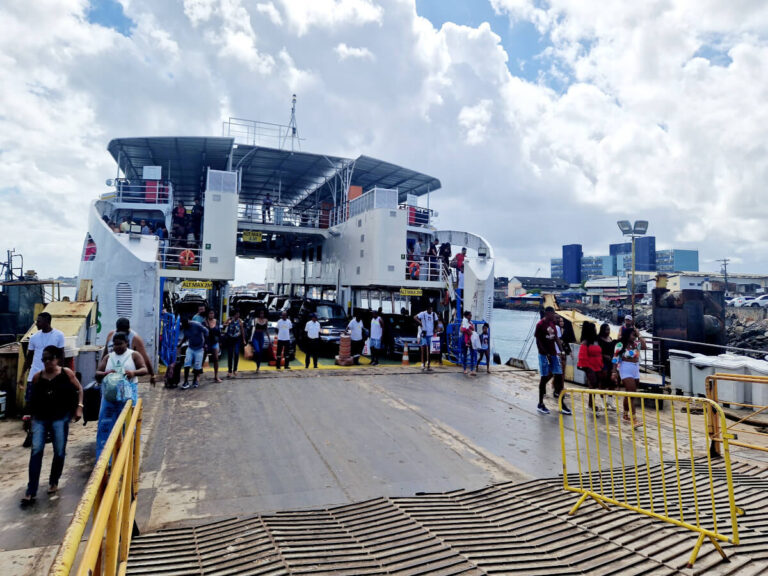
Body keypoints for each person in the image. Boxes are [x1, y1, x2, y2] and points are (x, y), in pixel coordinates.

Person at [20, 346, 83, 508]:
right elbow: (31, 399)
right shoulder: (37, 377)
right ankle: (30, 491)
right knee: (36, 452)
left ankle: (54, 481)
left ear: (56, 359)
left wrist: (79, 407)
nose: (47, 362)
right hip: (40, 419)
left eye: (50, 358)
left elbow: (79, 389)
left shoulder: (66, 374)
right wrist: (28, 417)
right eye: (44, 359)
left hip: (60, 419)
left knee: (59, 451)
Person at [95, 332, 146, 457]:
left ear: (126, 343)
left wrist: (133, 373)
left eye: (120, 344)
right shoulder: (108, 357)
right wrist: (106, 374)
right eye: (115, 344)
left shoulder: (133, 355)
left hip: (127, 391)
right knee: (105, 424)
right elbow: (97, 373)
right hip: (110, 394)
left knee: (128, 424)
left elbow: (144, 369)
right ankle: (105, 458)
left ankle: (130, 455)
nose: (117, 347)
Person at [22, 313, 65, 405]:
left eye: (39, 321)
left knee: (50, 402)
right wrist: (22, 374)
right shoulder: (33, 338)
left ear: (47, 322)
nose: (36, 323)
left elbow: (61, 355)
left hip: (52, 375)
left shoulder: (59, 335)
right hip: (34, 374)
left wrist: (61, 373)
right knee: (31, 402)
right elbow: (29, 357)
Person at [534, 307, 571, 415]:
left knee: (559, 377)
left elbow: (556, 339)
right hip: (544, 355)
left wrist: (562, 351)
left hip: (554, 354)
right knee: (544, 377)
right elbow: (538, 341)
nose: (554, 315)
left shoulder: (553, 325)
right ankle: (540, 403)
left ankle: (562, 403)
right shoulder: (540, 325)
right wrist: (546, 353)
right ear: (547, 313)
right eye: (552, 313)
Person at [103, 318, 156, 386]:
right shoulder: (111, 335)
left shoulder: (135, 339)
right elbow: (105, 353)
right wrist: (102, 372)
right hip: (111, 376)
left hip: (127, 377)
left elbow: (145, 358)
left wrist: (152, 375)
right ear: (117, 329)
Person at [613, 325, 646, 426]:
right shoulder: (620, 344)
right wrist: (614, 372)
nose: (634, 337)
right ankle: (634, 419)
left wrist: (639, 334)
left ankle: (625, 414)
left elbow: (645, 346)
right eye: (633, 335)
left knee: (629, 392)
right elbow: (615, 358)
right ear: (627, 335)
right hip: (625, 368)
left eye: (635, 335)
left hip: (635, 368)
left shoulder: (636, 344)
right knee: (632, 394)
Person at [577, 321, 604, 411]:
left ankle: (591, 403)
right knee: (592, 384)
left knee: (595, 385)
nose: (596, 329)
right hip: (590, 366)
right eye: (594, 328)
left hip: (597, 365)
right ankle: (591, 404)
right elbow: (582, 356)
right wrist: (587, 368)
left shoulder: (596, 340)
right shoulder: (585, 342)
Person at [179, 317, 208, 388]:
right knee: (187, 363)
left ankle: (195, 380)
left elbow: (206, 331)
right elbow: (186, 336)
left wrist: (205, 343)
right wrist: (180, 344)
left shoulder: (197, 325)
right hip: (190, 347)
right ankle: (186, 382)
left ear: (188, 322)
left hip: (199, 348)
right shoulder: (185, 327)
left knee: (197, 366)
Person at [598, 323, 617, 411]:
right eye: (606, 330)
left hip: (611, 362)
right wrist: (604, 356)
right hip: (602, 362)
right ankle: (602, 400)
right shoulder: (599, 340)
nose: (608, 331)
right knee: (603, 380)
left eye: (609, 330)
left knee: (612, 381)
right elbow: (598, 351)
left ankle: (610, 400)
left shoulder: (610, 339)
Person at [414, 305, 438, 372]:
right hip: (424, 334)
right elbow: (415, 317)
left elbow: (436, 321)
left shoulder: (434, 314)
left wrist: (435, 329)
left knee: (429, 350)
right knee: (423, 349)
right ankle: (422, 364)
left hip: (431, 334)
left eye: (431, 309)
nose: (431, 311)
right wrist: (420, 323)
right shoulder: (423, 314)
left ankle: (428, 365)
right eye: (430, 309)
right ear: (427, 309)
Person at [223, 311, 245, 378]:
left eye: (238, 314)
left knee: (236, 353)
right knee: (230, 354)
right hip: (230, 339)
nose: (237, 316)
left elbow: (242, 330)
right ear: (234, 315)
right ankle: (229, 370)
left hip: (237, 339)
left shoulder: (240, 321)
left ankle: (235, 369)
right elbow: (223, 326)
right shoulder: (229, 319)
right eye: (236, 314)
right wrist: (227, 324)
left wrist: (243, 339)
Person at [204, 309, 223, 383]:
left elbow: (219, 332)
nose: (211, 315)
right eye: (210, 313)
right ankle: (198, 375)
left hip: (215, 342)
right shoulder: (204, 322)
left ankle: (216, 376)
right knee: (202, 359)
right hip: (206, 343)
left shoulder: (217, 321)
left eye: (212, 313)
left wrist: (220, 341)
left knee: (216, 359)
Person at [460, 311, 476, 376]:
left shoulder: (471, 323)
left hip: (471, 339)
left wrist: (469, 331)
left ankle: (472, 369)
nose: (471, 317)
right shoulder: (463, 322)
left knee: (472, 354)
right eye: (470, 315)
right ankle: (464, 369)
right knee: (465, 354)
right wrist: (468, 331)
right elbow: (461, 329)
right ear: (466, 316)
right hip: (465, 339)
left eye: (471, 315)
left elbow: (473, 330)